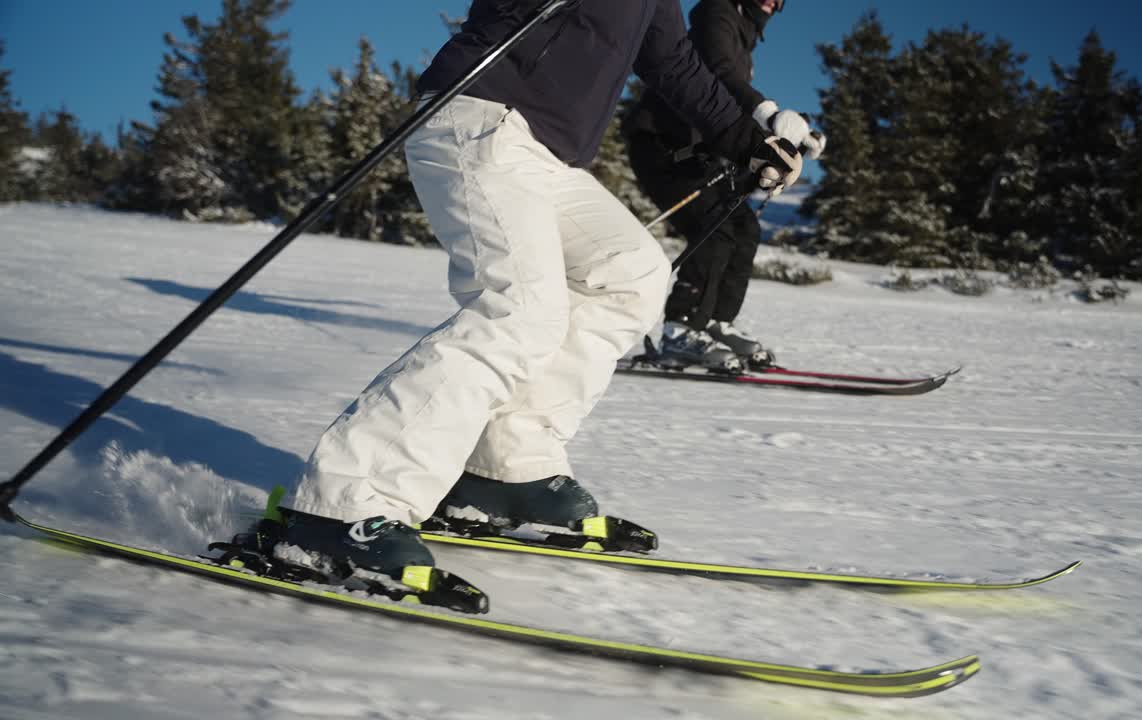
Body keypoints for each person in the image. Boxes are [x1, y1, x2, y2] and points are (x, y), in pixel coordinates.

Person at [269, 0, 804, 574]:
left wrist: (746, 137)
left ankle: (503, 466)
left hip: (549, 156)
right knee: (518, 310)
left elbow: (676, 63)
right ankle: (342, 498)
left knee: (631, 273)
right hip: (478, 115)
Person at [624, 0, 825, 371]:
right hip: (663, 145)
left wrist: (791, 133)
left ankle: (713, 323)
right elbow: (719, 74)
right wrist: (771, 114)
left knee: (744, 229)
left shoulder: (743, 37)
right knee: (713, 231)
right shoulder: (716, 12)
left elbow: (734, 92)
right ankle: (681, 328)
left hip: (694, 153)